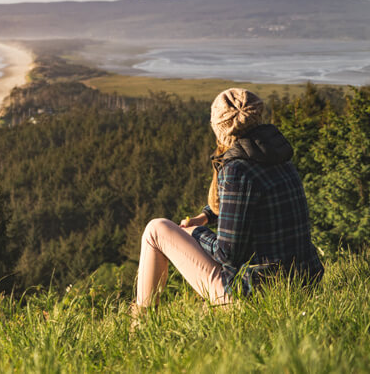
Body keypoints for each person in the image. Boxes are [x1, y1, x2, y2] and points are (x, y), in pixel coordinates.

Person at [135, 88, 324, 310]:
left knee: (155, 229)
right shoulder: (277, 156)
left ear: (220, 129)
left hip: (260, 295)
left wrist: (194, 232)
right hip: (304, 284)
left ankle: (141, 321)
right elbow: (244, 204)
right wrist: (205, 216)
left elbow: (227, 254)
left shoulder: (237, 170)